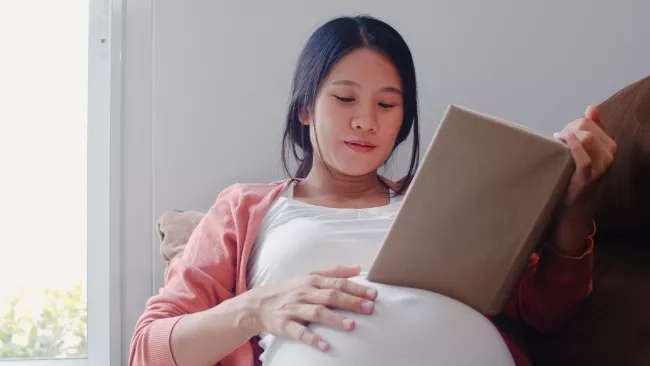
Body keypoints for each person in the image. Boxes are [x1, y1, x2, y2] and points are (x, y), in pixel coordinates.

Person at [129, 15, 617, 366]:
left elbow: (547, 314)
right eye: (344, 98)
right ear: (304, 108)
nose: (365, 120)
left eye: (388, 105)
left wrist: (575, 205)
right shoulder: (247, 209)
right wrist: (256, 308)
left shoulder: (441, 196)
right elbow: (148, 349)